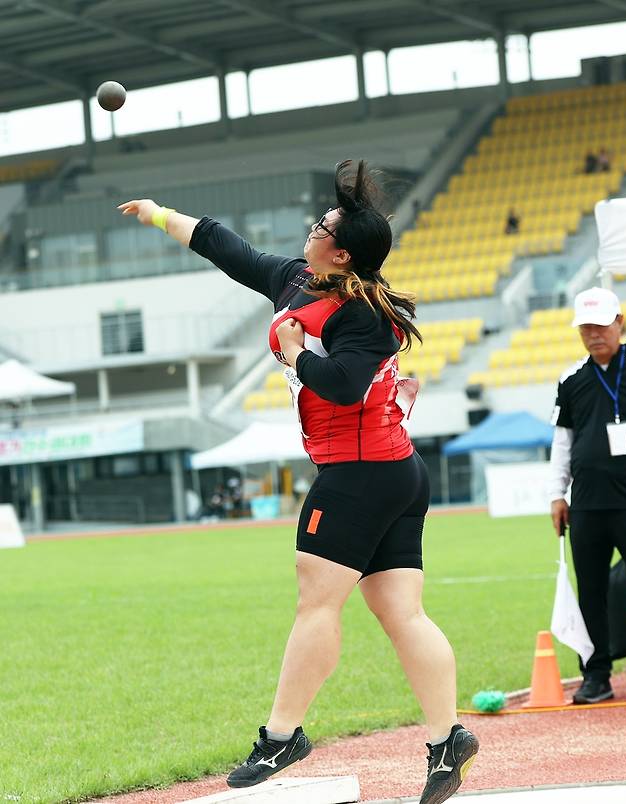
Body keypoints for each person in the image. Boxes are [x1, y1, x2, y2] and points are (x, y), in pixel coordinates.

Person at [118, 160, 478, 804]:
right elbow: (229, 248)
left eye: (322, 227)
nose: (309, 230)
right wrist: (156, 213)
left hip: (359, 475)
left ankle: (282, 735)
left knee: (317, 604)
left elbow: (339, 385)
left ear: (340, 254)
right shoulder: (296, 280)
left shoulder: (366, 314)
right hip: (388, 470)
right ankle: (447, 738)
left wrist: (293, 352)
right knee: (401, 612)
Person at [549, 286, 626, 704]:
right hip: (587, 505)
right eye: (585, 327)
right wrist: (557, 494)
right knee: (590, 590)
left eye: (600, 324)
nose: (593, 333)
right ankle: (596, 675)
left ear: (619, 323)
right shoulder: (571, 379)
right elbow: (563, 441)